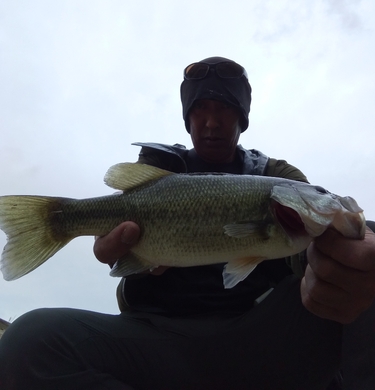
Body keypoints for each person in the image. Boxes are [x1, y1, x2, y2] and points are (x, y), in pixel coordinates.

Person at [0, 57, 375, 390]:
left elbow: (326, 252)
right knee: (27, 342)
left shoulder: (278, 176)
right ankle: (56, 224)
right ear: (187, 117)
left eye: (225, 108)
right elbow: (115, 252)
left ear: (242, 117)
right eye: (200, 110)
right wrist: (119, 255)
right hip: (156, 344)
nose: (211, 121)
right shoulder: (158, 167)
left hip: (263, 340)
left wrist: (357, 246)